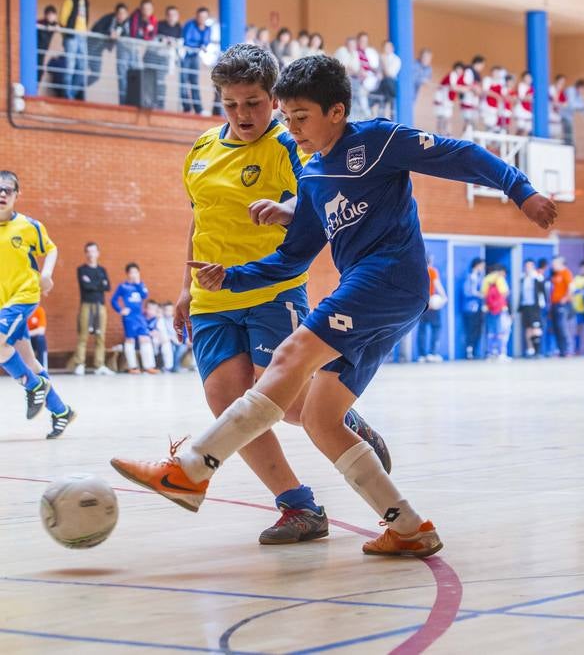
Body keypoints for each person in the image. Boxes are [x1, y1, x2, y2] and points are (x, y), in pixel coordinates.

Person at [112, 54, 556, 559]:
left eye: (300, 117)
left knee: (288, 359)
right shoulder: (316, 175)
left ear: (337, 112)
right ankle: (409, 526)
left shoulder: (378, 140)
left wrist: (521, 190)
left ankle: (192, 469)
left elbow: (462, 154)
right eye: (287, 117)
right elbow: (290, 257)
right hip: (371, 294)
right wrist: (228, 277)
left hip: (389, 277)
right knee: (322, 418)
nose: (291, 127)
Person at [116, 45, 390, 545]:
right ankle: (299, 507)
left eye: (255, 102)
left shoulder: (291, 144)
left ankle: (340, 419)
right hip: (211, 297)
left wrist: (284, 206)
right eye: (231, 104)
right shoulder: (201, 150)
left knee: (284, 402)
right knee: (226, 403)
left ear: (274, 98)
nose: (243, 114)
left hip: (271, 289)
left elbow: (314, 198)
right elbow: (199, 220)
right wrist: (184, 288)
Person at [0, 170, 76, 438]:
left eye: (7, 190)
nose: (2, 194)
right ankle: (61, 411)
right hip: (3, 301)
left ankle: (32, 387)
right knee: (29, 360)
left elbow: (51, 248)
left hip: (24, 295)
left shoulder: (28, 226)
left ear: (16, 195)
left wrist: (46, 275)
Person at [69, 242, 112, 376]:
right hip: (86, 305)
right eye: (88, 251)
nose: (91, 254)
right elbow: (87, 287)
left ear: (98, 253)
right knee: (83, 336)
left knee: (100, 336)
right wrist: (99, 283)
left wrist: (93, 283)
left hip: (100, 306)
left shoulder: (102, 270)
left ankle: (99, 365)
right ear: (86, 253)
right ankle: (80, 364)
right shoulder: (82, 269)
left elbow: (108, 287)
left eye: (93, 251)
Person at [110, 263, 159, 374]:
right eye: (131, 272)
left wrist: (138, 283)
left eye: (136, 272)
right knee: (130, 340)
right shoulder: (123, 286)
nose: (133, 274)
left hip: (140, 317)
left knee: (145, 338)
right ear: (127, 274)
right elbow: (113, 300)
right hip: (129, 318)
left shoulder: (141, 285)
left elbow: (145, 295)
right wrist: (120, 310)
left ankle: (149, 366)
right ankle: (132, 367)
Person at [88, 3, 130, 95]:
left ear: (127, 15)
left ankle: (79, 88)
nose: (121, 16)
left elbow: (126, 36)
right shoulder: (108, 19)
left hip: (98, 52)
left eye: (124, 14)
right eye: (119, 13)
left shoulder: (125, 26)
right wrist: (109, 33)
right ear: (115, 13)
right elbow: (96, 28)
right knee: (80, 70)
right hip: (90, 47)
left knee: (95, 76)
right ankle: (74, 91)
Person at [59, 0, 90, 100]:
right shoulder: (70, 1)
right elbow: (62, 19)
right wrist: (66, 34)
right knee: (70, 65)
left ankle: (71, 93)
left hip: (82, 37)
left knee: (82, 66)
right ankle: (66, 94)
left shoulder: (86, 3)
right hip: (71, 36)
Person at [416, 253, 447, 363]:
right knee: (436, 328)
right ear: (430, 261)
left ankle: (422, 355)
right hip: (432, 305)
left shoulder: (418, 271)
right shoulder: (432, 271)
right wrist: (444, 297)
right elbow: (437, 284)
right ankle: (432, 353)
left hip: (421, 305)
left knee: (422, 330)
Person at [181, 7, 211, 114]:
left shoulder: (207, 28)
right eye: (200, 16)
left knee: (195, 82)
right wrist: (199, 45)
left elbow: (206, 41)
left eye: (204, 17)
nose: (202, 19)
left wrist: (202, 45)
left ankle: (198, 109)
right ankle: (186, 108)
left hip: (196, 56)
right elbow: (187, 40)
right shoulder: (190, 24)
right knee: (183, 81)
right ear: (196, 16)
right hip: (186, 55)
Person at [482, 265, 511, 359]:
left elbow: (483, 294)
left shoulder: (486, 279)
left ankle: (490, 352)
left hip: (489, 308)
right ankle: (501, 353)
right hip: (499, 309)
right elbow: (505, 293)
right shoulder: (500, 279)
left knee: (490, 331)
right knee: (501, 330)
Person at [518, 260, 546, 357]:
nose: (528, 268)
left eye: (530, 266)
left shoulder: (537, 277)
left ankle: (537, 350)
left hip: (535, 306)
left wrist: (543, 304)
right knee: (528, 328)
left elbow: (543, 292)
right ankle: (530, 349)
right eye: (526, 266)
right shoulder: (522, 278)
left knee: (536, 327)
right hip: (526, 306)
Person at [549, 256, 573, 357]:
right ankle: (561, 350)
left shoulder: (566, 273)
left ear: (560, 263)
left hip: (563, 304)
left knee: (562, 327)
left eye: (555, 264)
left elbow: (571, 287)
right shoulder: (555, 275)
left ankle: (568, 350)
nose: (553, 266)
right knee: (556, 328)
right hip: (554, 304)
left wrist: (566, 298)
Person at [462, 257, 485, 359]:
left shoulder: (480, 277)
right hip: (470, 309)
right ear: (477, 265)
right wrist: (478, 294)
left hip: (479, 309)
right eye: (482, 266)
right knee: (470, 330)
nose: (483, 268)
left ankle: (475, 351)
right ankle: (469, 352)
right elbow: (467, 292)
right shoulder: (470, 277)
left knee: (478, 330)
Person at [434, 62, 463, 135]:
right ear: (457, 68)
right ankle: (441, 134)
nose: (461, 72)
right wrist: (465, 89)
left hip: (448, 100)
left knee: (447, 118)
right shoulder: (453, 75)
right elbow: (453, 87)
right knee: (442, 118)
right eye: (460, 69)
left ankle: (446, 134)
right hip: (443, 99)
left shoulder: (458, 78)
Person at [145, 300, 174, 371]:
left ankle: (168, 367)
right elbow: (148, 330)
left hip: (164, 339)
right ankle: (154, 364)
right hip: (154, 339)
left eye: (160, 313)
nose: (159, 314)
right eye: (157, 312)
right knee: (155, 342)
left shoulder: (163, 320)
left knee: (166, 345)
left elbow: (165, 332)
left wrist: (165, 338)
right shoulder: (151, 320)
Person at [570, 261, 584, 355]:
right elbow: (573, 291)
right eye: (583, 268)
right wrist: (581, 291)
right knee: (578, 329)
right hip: (579, 308)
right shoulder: (576, 279)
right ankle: (577, 349)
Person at [561, 79, 584, 146]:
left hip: (569, 118)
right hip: (563, 116)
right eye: (583, 89)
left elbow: (583, 105)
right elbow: (572, 105)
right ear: (580, 86)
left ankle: (569, 148)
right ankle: (568, 150)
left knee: (570, 137)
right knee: (568, 137)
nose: (583, 91)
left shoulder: (579, 95)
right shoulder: (571, 90)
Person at [36, 5, 59, 84]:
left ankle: (35, 89)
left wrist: (56, 27)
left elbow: (60, 26)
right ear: (46, 15)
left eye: (53, 14)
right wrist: (46, 27)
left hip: (43, 52)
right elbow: (37, 24)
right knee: (38, 70)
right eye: (49, 14)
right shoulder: (41, 23)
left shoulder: (54, 24)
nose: (51, 16)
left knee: (40, 71)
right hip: (36, 50)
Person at [27, 304, 48, 371]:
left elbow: (41, 331)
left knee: (40, 339)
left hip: (33, 338)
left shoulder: (39, 310)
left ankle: (42, 368)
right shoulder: (22, 311)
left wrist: (27, 334)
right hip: (24, 339)